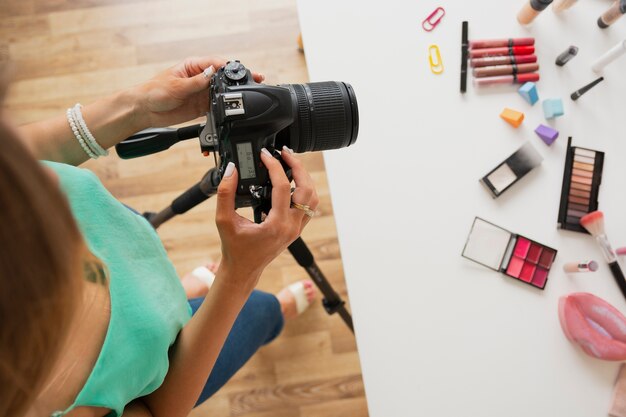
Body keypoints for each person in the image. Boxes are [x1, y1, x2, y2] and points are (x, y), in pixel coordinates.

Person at [0, 57, 319, 417]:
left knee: (146, 268)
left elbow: (23, 152)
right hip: (154, 363)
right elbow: (156, 410)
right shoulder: (35, 402)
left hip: (130, 254)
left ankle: (171, 299)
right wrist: (240, 272)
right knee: (261, 311)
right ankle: (254, 312)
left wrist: (140, 106)